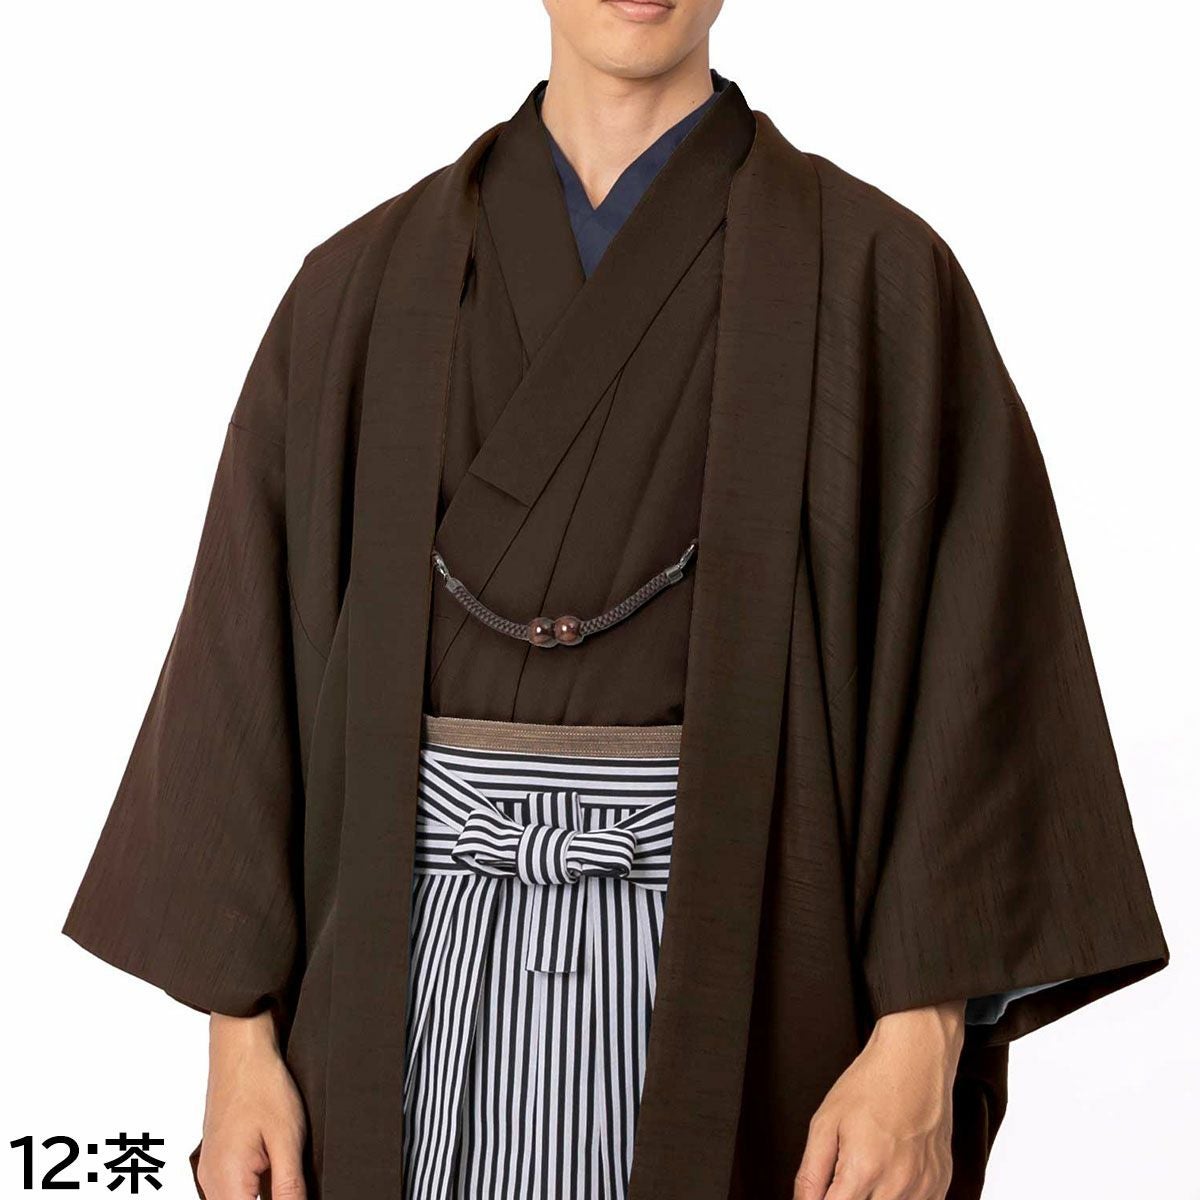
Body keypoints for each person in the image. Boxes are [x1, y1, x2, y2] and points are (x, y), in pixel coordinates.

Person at [63, 2, 1169, 1199]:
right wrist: (238, 1048)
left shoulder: (876, 275)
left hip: (746, 991)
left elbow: (978, 683)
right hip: (403, 998)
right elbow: (242, 680)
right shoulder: (361, 289)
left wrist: (923, 1042)